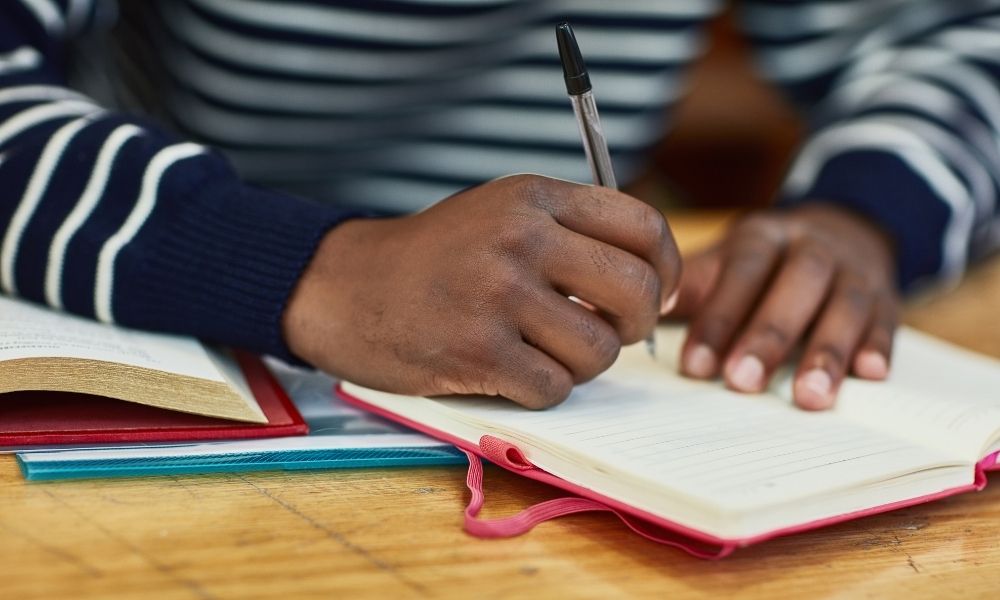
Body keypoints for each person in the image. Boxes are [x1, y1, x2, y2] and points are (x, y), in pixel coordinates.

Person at [1, 1, 997, 411]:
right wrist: (311, 267)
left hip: (569, 359)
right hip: (164, 303)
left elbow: (958, 36)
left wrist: (866, 212)